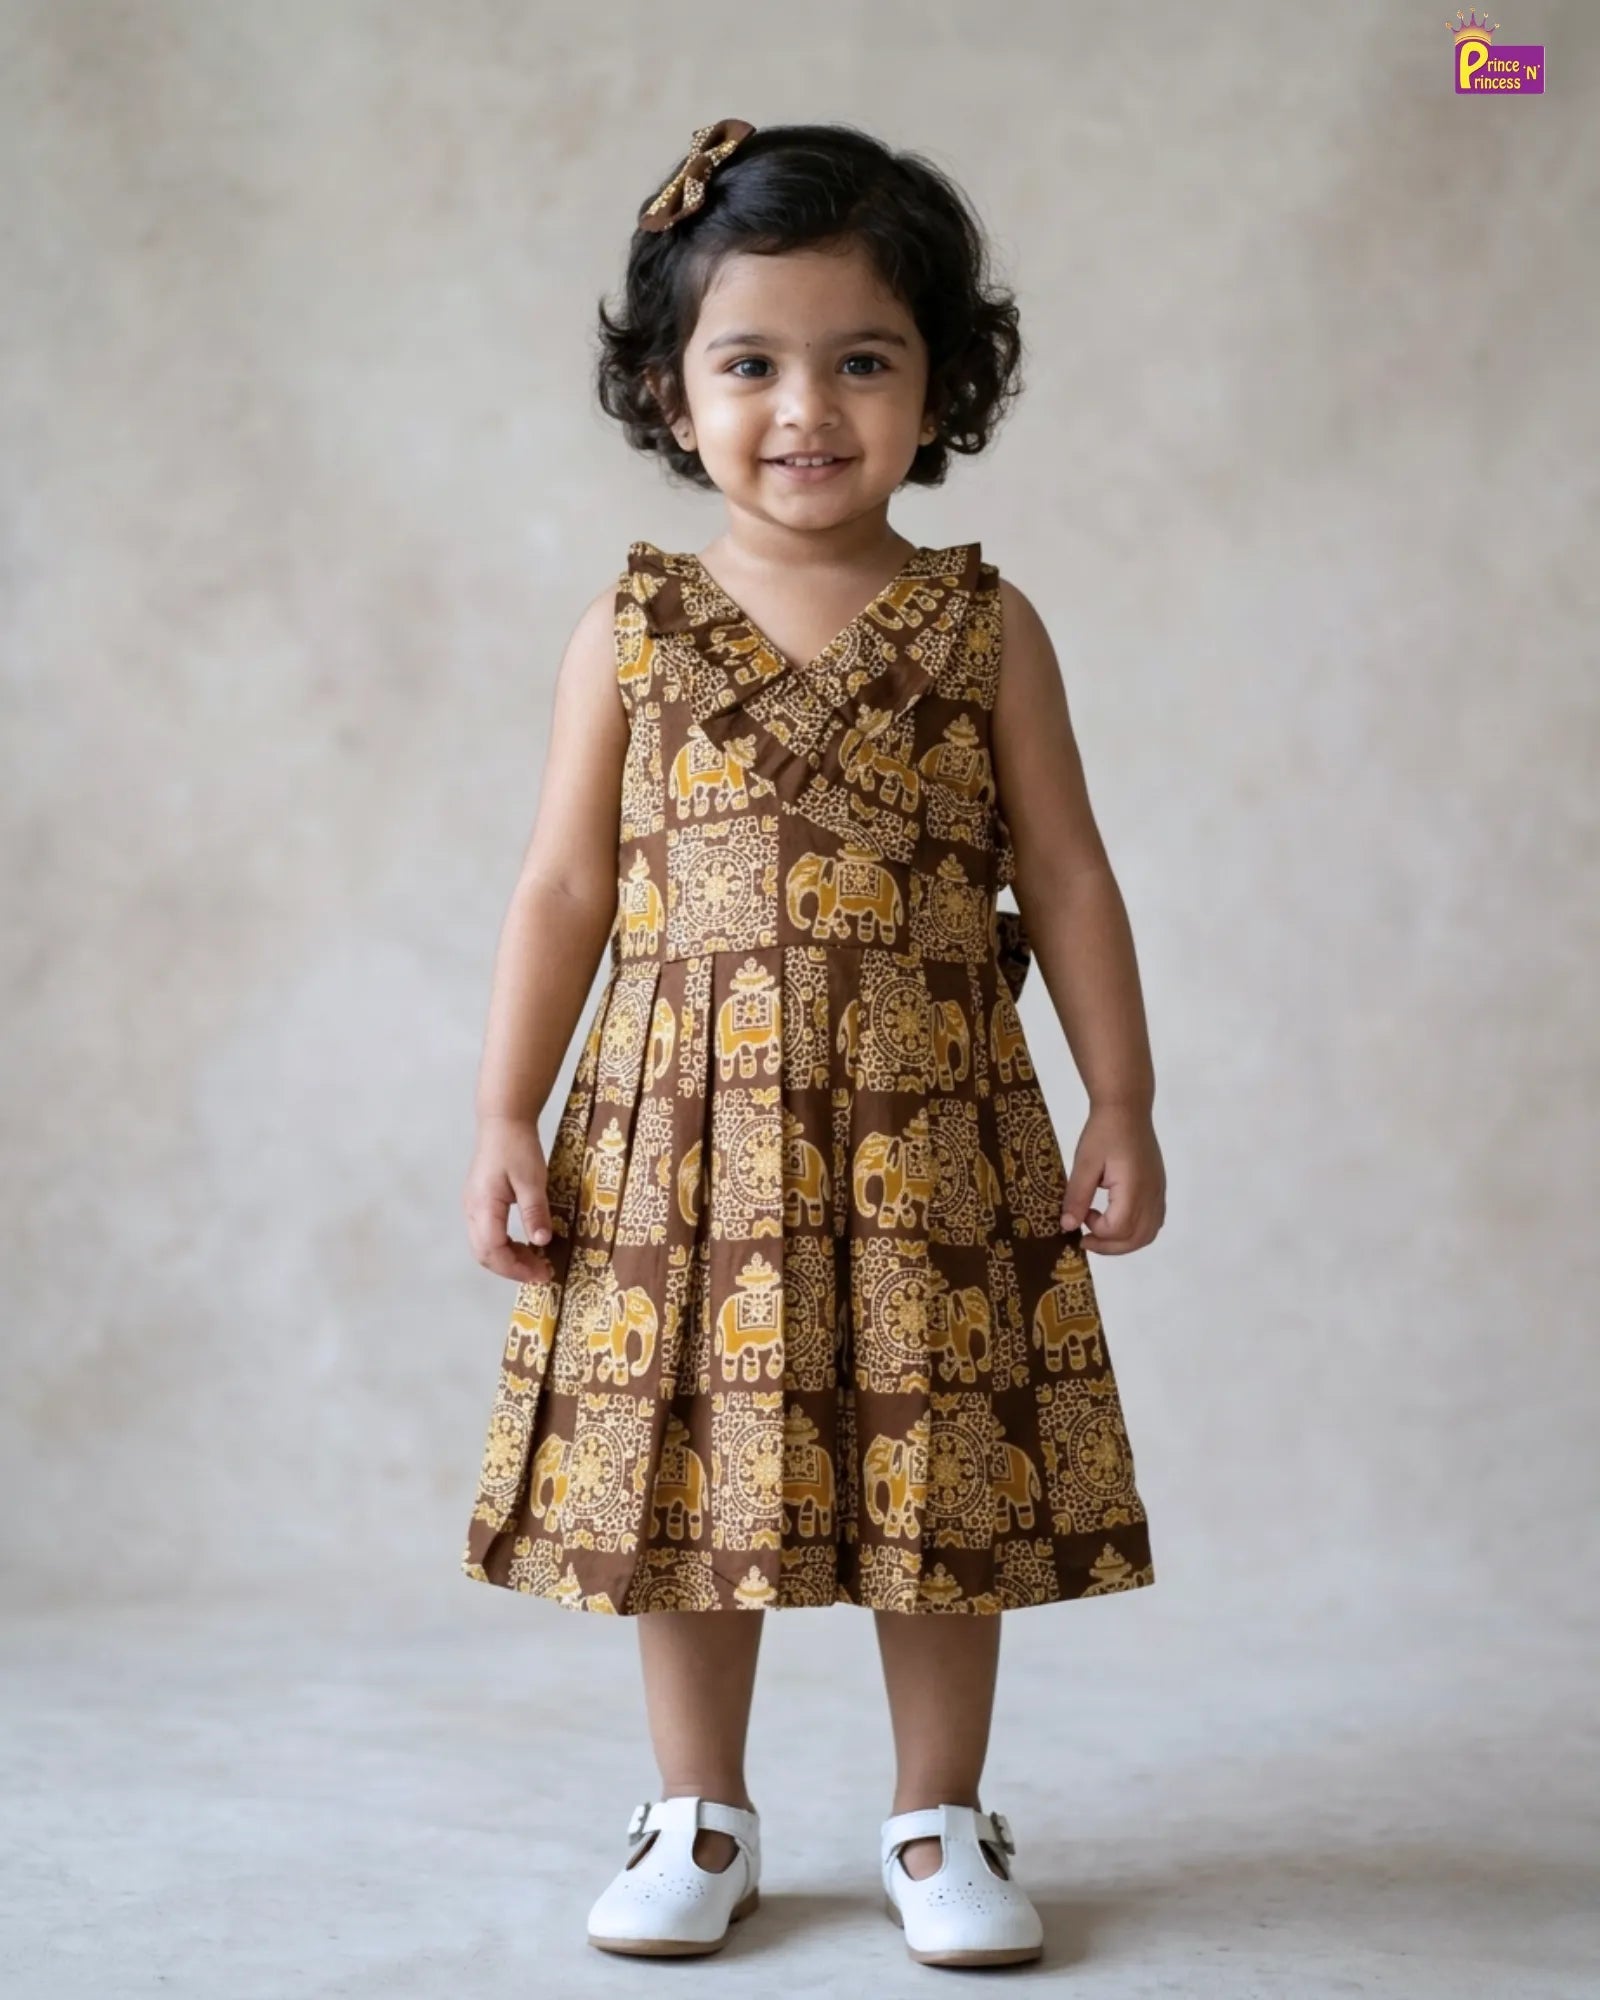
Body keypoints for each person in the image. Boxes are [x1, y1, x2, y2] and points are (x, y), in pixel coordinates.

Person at [458, 117, 1166, 1970]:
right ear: (664, 387)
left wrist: (1127, 1095)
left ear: (943, 382)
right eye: (750, 361)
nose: (807, 408)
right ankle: (698, 1809)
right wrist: (502, 1112)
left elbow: (1073, 875)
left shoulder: (981, 623)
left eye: (864, 359)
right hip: (683, 1136)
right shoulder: (628, 629)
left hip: (933, 1131)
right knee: (696, 1468)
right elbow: (558, 891)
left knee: (938, 1480)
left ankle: (939, 1816)